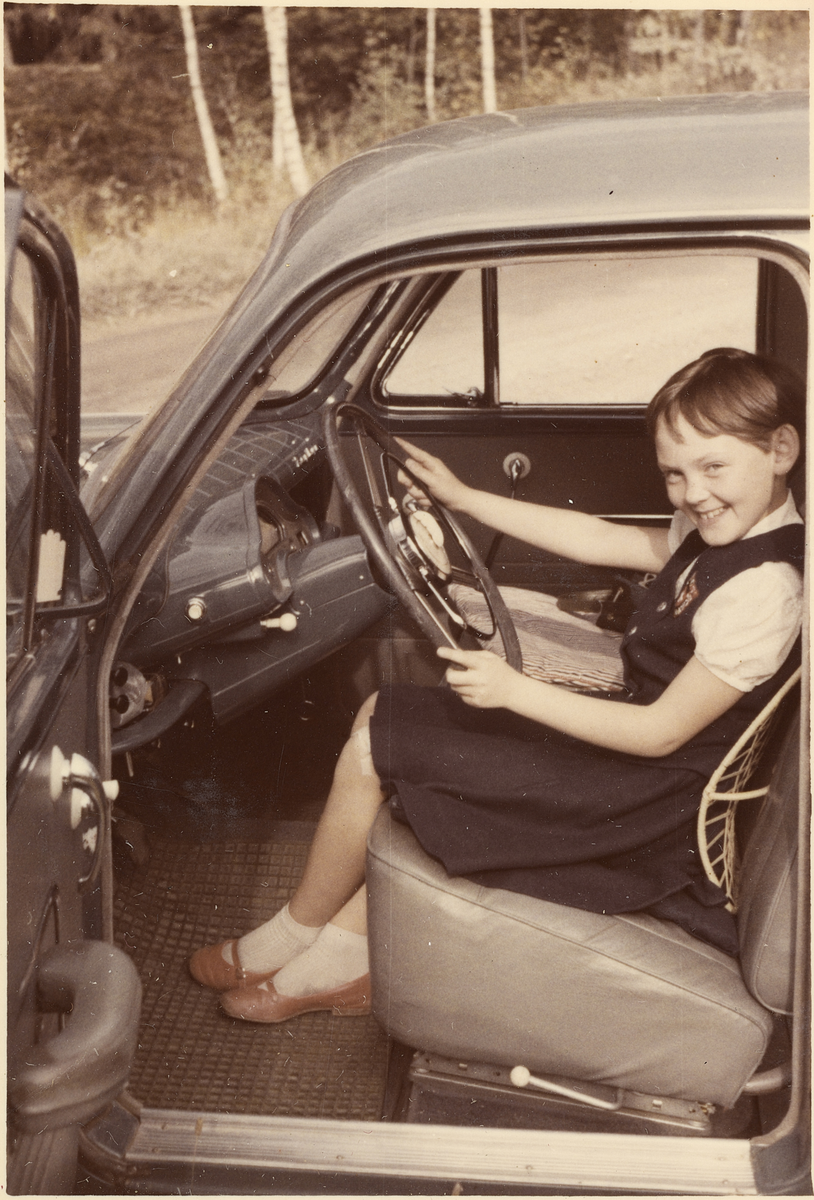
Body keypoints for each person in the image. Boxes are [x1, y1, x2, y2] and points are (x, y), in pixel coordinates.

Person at [189, 347, 804, 1023]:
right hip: (624, 758)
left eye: (713, 468)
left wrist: (514, 692)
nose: (693, 493)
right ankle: (300, 931)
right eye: (674, 475)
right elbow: (598, 538)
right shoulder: (720, 535)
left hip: (644, 800)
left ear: (781, 449)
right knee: (382, 714)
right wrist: (465, 499)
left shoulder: (764, 589)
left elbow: (661, 734)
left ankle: (327, 961)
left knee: (387, 748)